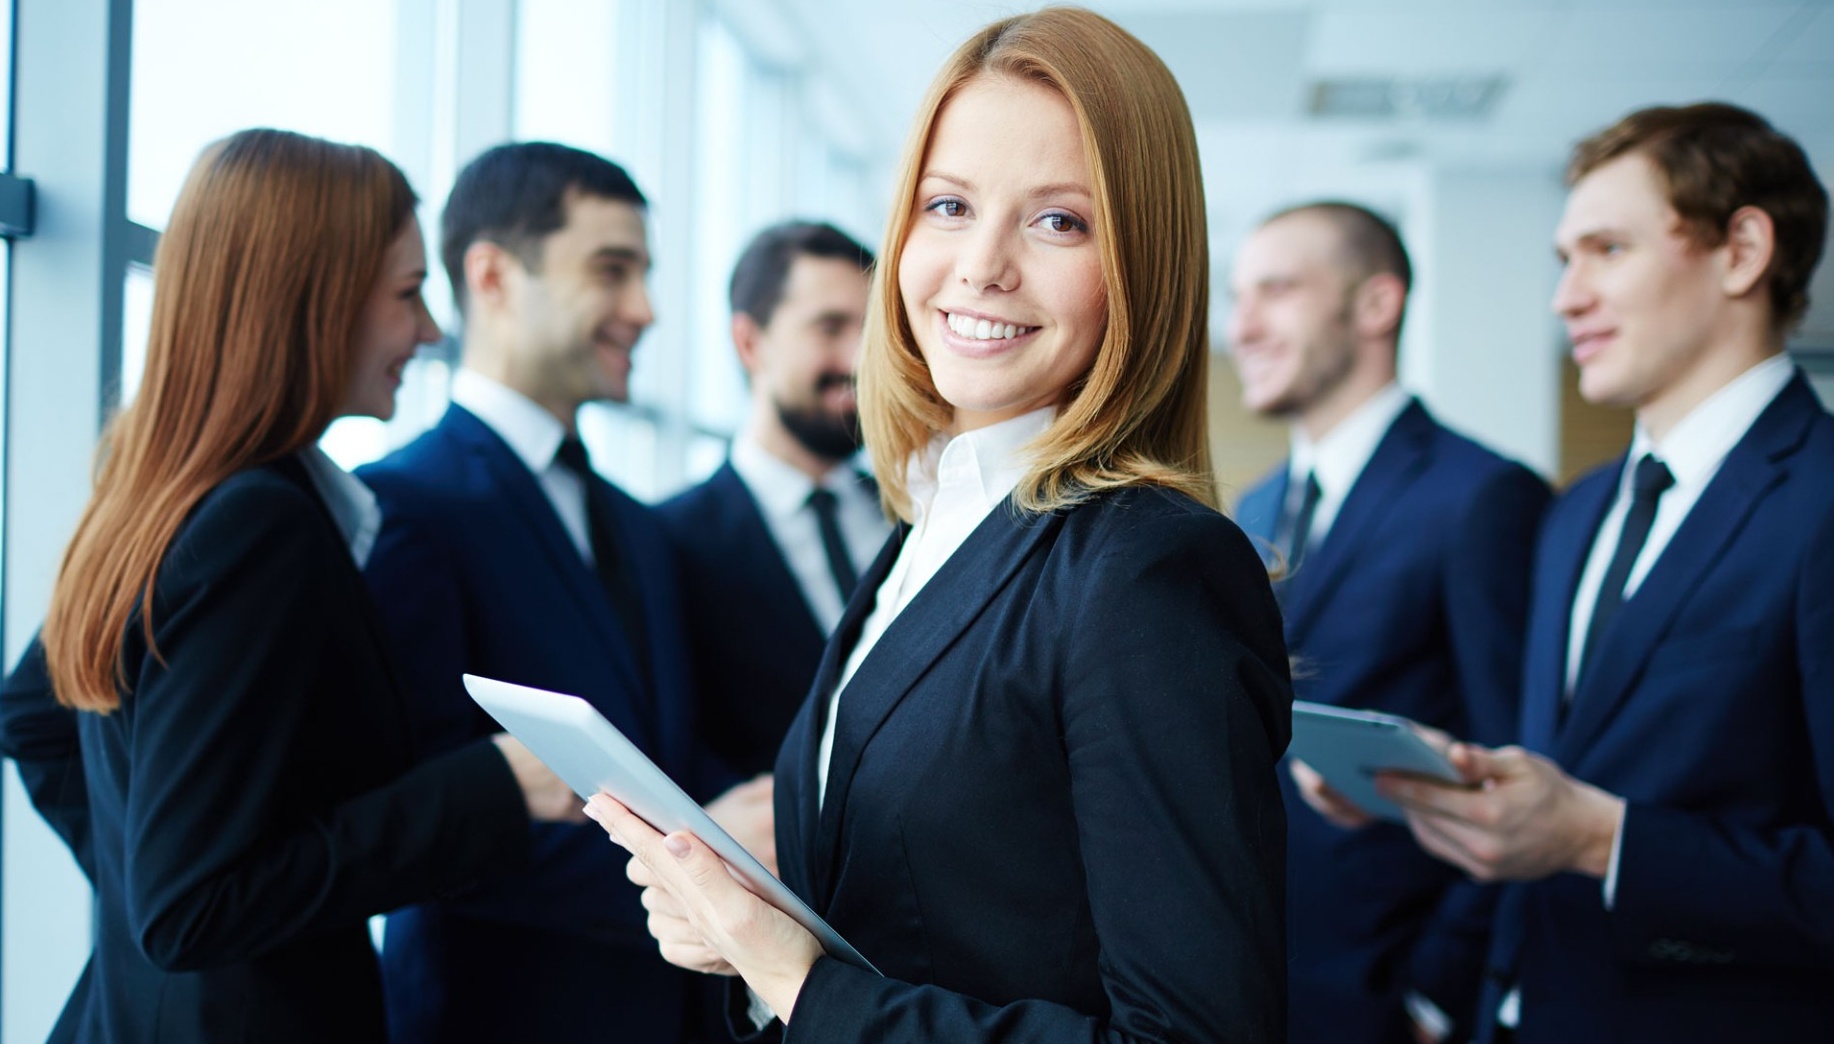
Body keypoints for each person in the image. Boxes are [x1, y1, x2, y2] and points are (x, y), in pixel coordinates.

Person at [586, 8, 1292, 1041]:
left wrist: (801, 983)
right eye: (949, 205)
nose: (981, 266)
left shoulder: (1148, 564)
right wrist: (744, 937)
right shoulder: (936, 521)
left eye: (1059, 221)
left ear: (1141, 262)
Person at [0, 128, 577, 1043]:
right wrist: (494, 787)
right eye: (407, 293)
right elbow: (193, 905)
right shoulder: (254, 528)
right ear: (310, 302)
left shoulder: (164, 497)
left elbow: (33, 714)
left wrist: (141, 918)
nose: (430, 331)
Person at [1377, 103, 1834, 1043]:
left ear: (1742, 250)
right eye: (1564, 260)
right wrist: (1427, 783)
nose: (1565, 298)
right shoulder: (1575, 511)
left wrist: (1604, 838)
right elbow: (1570, 772)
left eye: (1607, 250)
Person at [357, 141, 758, 1044]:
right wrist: (695, 855)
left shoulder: (636, 521)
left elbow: (659, 743)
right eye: (612, 271)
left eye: (645, 275)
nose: (644, 311)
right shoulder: (405, 507)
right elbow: (419, 819)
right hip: (499, 1014)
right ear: (493, 275)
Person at [1227, 202, 1549, 1044]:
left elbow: (1523, 751)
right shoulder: (1254, 506)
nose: (1242, 326)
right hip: (1260, 973)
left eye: (1276, 290)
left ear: (1375, 305)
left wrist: (1437, 991)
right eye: (1238, 296)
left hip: (1393, 988)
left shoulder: (1481, 495)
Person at [659, 220, 889, 778]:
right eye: (830, 327)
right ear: (749, 342)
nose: (860, 360)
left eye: (873, 331)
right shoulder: (669, 540)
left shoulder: (917, 511)